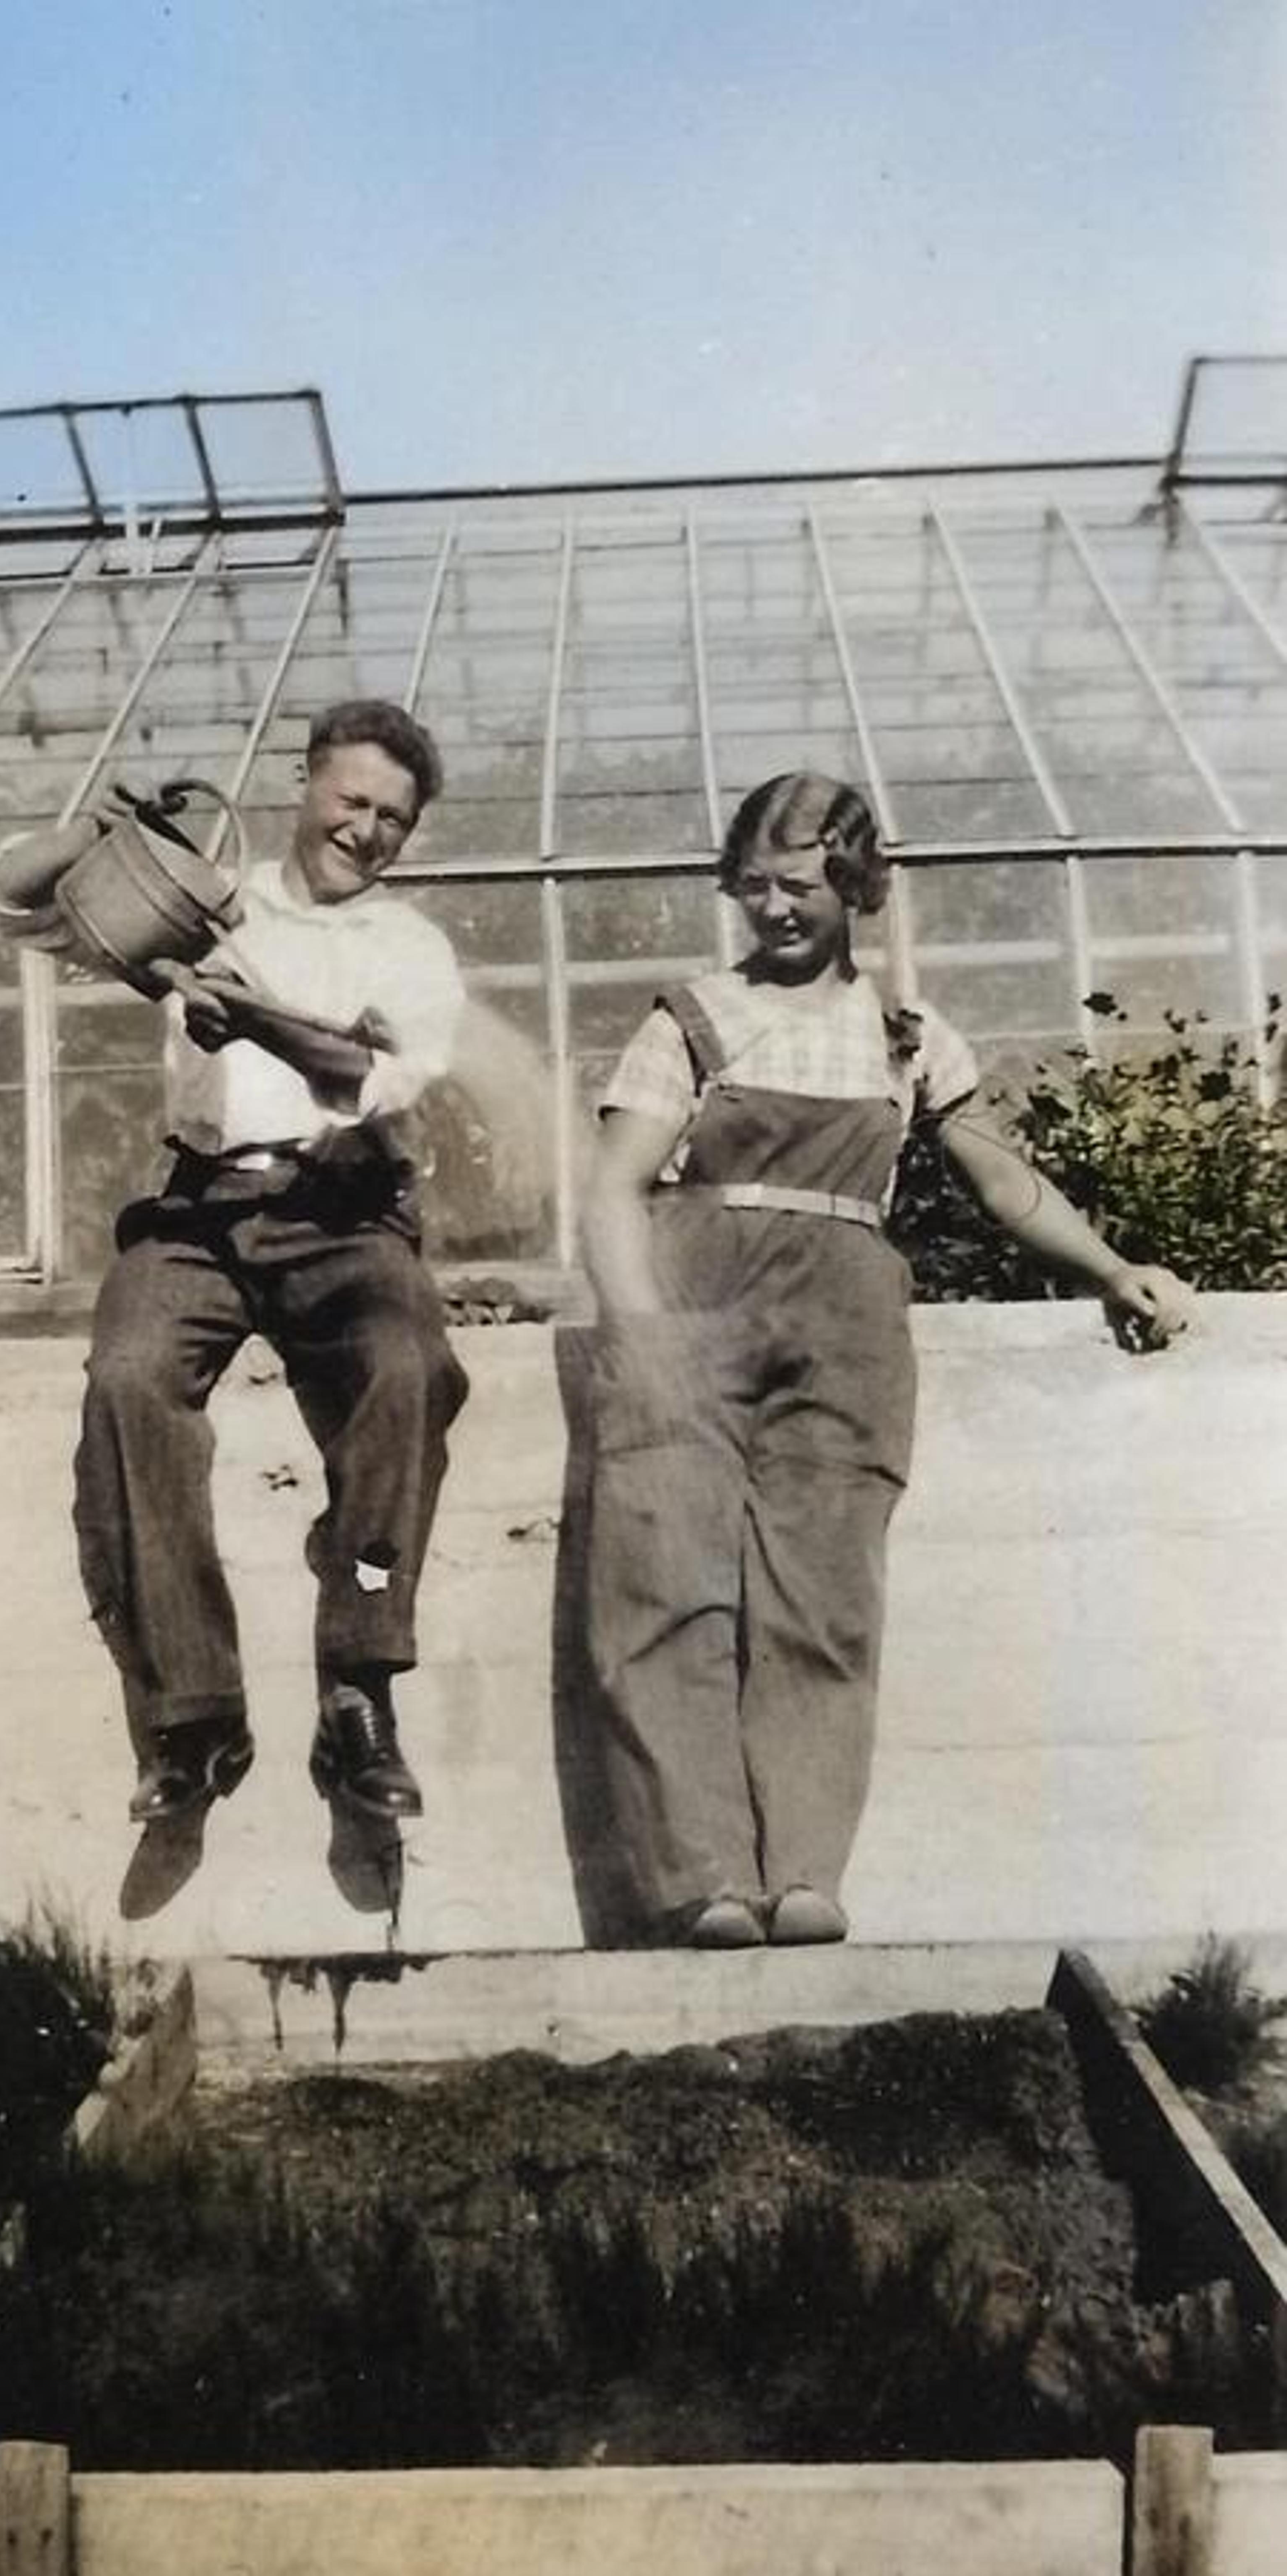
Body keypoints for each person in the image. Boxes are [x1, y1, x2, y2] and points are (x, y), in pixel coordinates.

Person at [578, 770, 1196, 1950]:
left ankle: (804, 1870)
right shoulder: (691, 1015)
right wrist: (645, 1332)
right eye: (753, 886)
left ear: (854, 882)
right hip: (692, 1310)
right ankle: (704, 1875)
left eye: (800, 884)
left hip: (851, 1324)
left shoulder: (908, 1035)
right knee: (666, 1589)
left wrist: (1117, 1270)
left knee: (827, 1600)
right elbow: (614, 1188)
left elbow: (1004, 1183)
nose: (774, 909)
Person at [64, 700, 469, 1828]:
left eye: (393, 817)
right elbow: (27, 903)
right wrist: (103, 842)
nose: (367, 831)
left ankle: (359, 1684)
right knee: (127, 1378)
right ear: (306, 784)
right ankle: (193, 1714)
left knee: (409, 1367)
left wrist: (251, 1015)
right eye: (352, 800)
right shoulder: (208, 902)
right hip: (198, 1205)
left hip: (344, 1209)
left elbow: (374, 1075)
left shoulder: (410, 947)